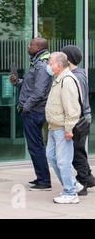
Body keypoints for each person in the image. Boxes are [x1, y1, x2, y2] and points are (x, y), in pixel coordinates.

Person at [10, 38, 52, 190]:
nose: (29, 46)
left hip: (34, 111)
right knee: (36, 146)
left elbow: (40, 91)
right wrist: (18, 82)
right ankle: (41, 177)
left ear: (39, 47)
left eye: (31, 44)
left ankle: (44, 181)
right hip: (32, 110)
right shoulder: (37, 62)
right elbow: (31, 85)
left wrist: (26, 106)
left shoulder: (41, 65)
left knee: (36, 147)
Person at [45, 52, 82, 204]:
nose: (48, 65)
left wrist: (68, 129)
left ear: (59, 65)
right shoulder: (58, 79)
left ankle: (70, 192)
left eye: (50, 63)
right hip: (54, 127)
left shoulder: (66, 80)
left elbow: (72, 108)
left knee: (63, 161)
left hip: (62, 128)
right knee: (52, 157)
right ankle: (73, 184)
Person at [62, 45, 95, 196]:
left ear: (68, 59)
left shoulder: (75, 76)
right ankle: (88, 177)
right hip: (82, 117)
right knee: (79, 150)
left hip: (78, 119)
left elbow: (76, 101)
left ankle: (82, 181)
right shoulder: (78, 74)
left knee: (76, 153)